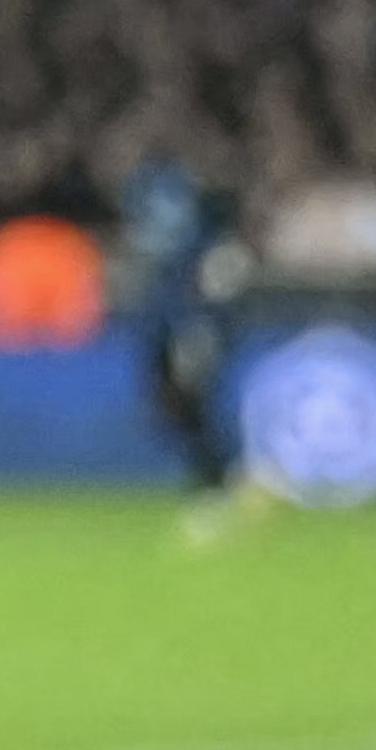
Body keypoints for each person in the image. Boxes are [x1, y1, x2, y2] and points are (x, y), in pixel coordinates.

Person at [123, 150, 263, 542]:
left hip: (189, 335)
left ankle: (218, 492)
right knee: (171, 414)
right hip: (165, 330)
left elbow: (214, 299)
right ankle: (229, 484)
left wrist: (201, 335)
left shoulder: (213, 251)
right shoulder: (183, 246)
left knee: (193, 412)